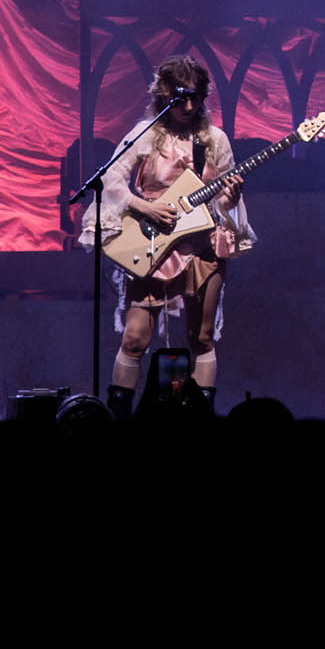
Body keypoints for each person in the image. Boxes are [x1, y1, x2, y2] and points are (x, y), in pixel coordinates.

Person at [87, 57, 256, 416]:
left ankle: (202, 419)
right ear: (164, 94)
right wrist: (143, 207)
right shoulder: (144, 135)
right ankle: (120, 419)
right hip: (153, 242)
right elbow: (111, 180)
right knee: (134, 339)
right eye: (181, 99)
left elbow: (224, 196)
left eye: (195, 98)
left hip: (201, 245)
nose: (189, 107)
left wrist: (233, 195)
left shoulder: (214, 139)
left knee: (201, 338)